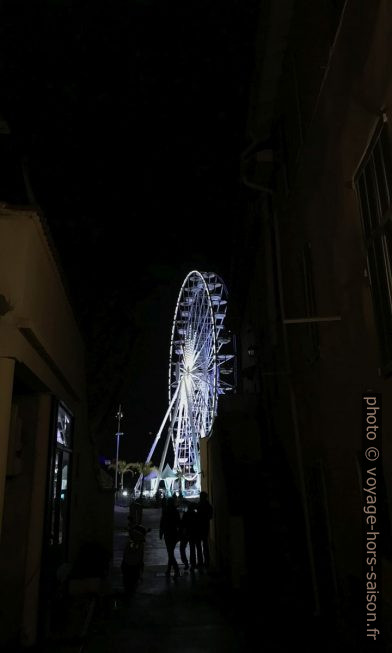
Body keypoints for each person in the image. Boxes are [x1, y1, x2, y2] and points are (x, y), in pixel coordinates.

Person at [159, 495, 181, 577]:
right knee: (170, 552)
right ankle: (169, 570)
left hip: (167, 534)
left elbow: (162, 523)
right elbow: (179, 523)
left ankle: (176, 570)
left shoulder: (165, 511)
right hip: (174, 533)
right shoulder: (175, 511)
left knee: (170, 553)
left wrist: (161, 533)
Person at [197, 491, 213, 569]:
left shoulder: (201, 505)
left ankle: (201, 562)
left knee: (200, 546)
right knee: (205, 545)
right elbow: (210, 516)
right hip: (205, 527)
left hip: (200, 527)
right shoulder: (208, 505)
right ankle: (206, 562)